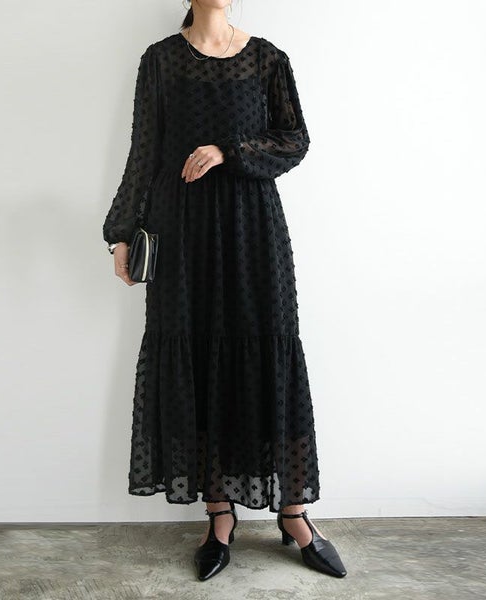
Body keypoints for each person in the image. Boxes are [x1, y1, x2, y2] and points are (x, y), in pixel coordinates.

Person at [102, 0, 347, 582]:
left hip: (252, 227)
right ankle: (219, 515)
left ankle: (294, 513)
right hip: (182, 230)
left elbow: (294, 140)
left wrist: (228, 152)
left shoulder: (267, 59)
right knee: (197, 354)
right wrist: (121, 232)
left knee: (268, 352)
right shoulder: (161, 61)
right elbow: (144, 150)